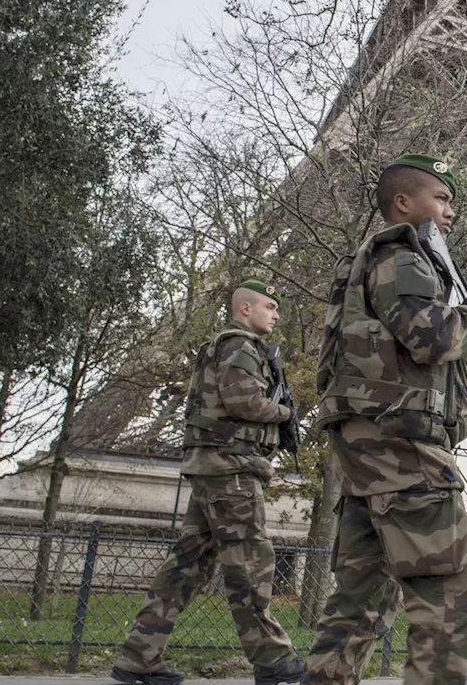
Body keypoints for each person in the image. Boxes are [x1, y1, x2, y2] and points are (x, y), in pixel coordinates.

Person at [303, 154, 467, 685]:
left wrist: (464, 385)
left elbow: (398, 357)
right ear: (404, 203)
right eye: (442, 197)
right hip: (401, 446)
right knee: (452, 592)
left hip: (370, 449)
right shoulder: (405, 254)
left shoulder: (370, 262)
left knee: (362, 598)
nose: (450, 209)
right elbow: (429, 335)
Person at [112, 280, 306, 685]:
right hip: (231, 473)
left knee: (184, 567)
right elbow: (245, 403)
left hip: (212, 470)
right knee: (249, 564)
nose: (276, 314)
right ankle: (272, 658)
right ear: (245, 309)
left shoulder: (220, 347)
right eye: (270, 306)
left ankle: (138, 657)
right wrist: (287, 415)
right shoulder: (240, 347)